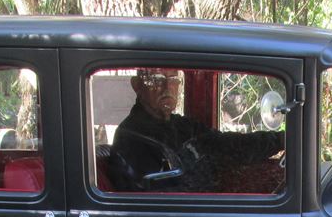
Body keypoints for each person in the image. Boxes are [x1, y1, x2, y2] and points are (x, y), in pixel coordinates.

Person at [111, 68, 285, 192]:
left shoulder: (181, 126)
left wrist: (281, 140)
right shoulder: (131, 139)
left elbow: (228, 145)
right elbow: (157, 202)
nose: (167, 88)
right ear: (137, 85)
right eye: (156, 79)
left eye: (173, 80)